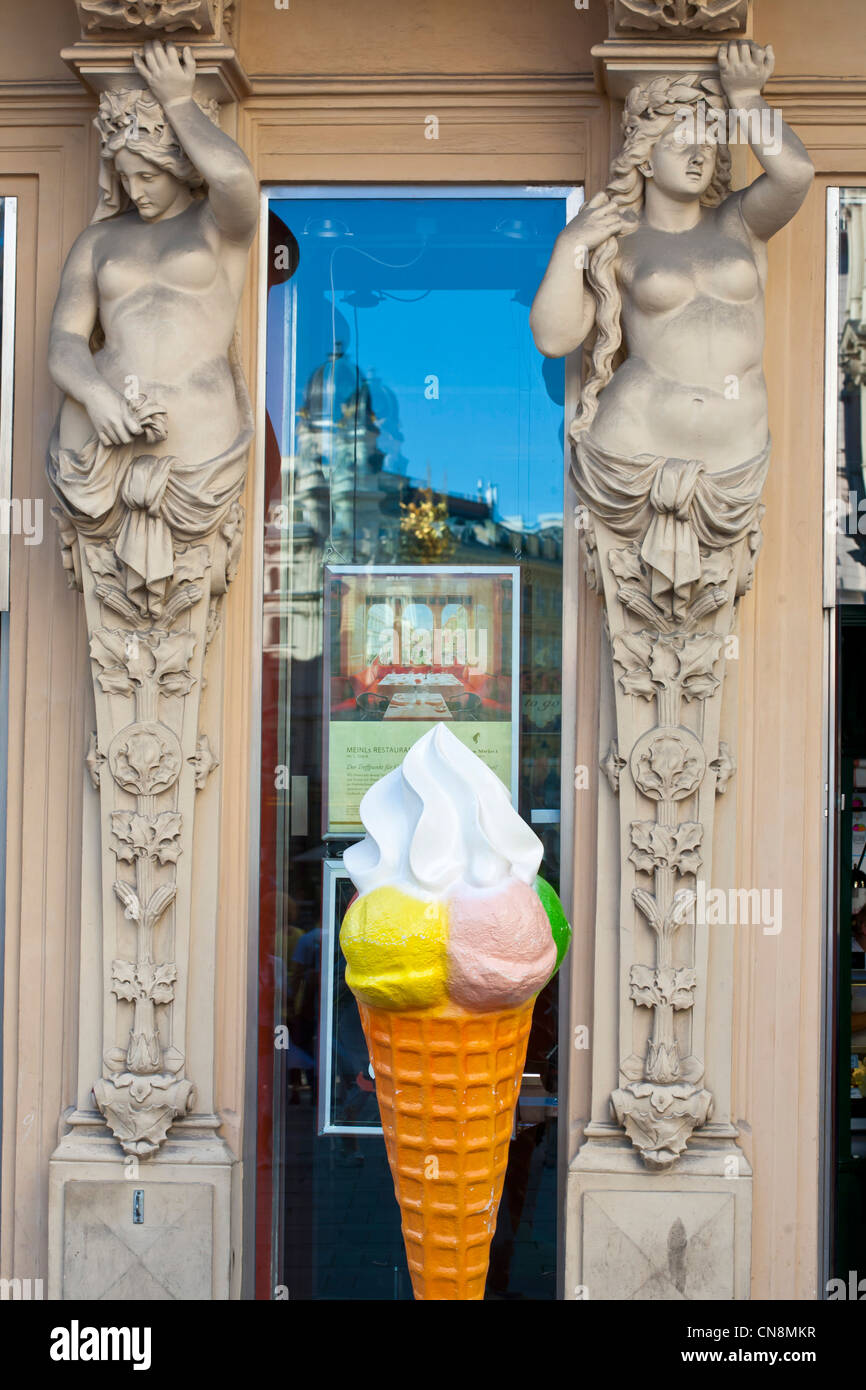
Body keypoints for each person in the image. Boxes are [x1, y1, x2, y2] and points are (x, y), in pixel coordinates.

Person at [531, 41, 813, 615]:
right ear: (643, 155)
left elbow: (795, 176)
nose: (698, 155)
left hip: (733, 458)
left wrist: (746, 99)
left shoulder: (738, 224)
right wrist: (570, 246)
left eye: (708, 144)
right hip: (633, 447)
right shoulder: (617, 244)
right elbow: (554, 338)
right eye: (680, 142)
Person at [47, 41, 258, 614]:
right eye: (123, 175)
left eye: (147, 175)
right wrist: (96, 397)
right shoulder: (98, 241)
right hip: (101, 446)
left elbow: (238, 180)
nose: (134, 190)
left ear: (177, 166)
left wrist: (178, 102)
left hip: (196, 446)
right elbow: (65, 341)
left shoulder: (217, 227)